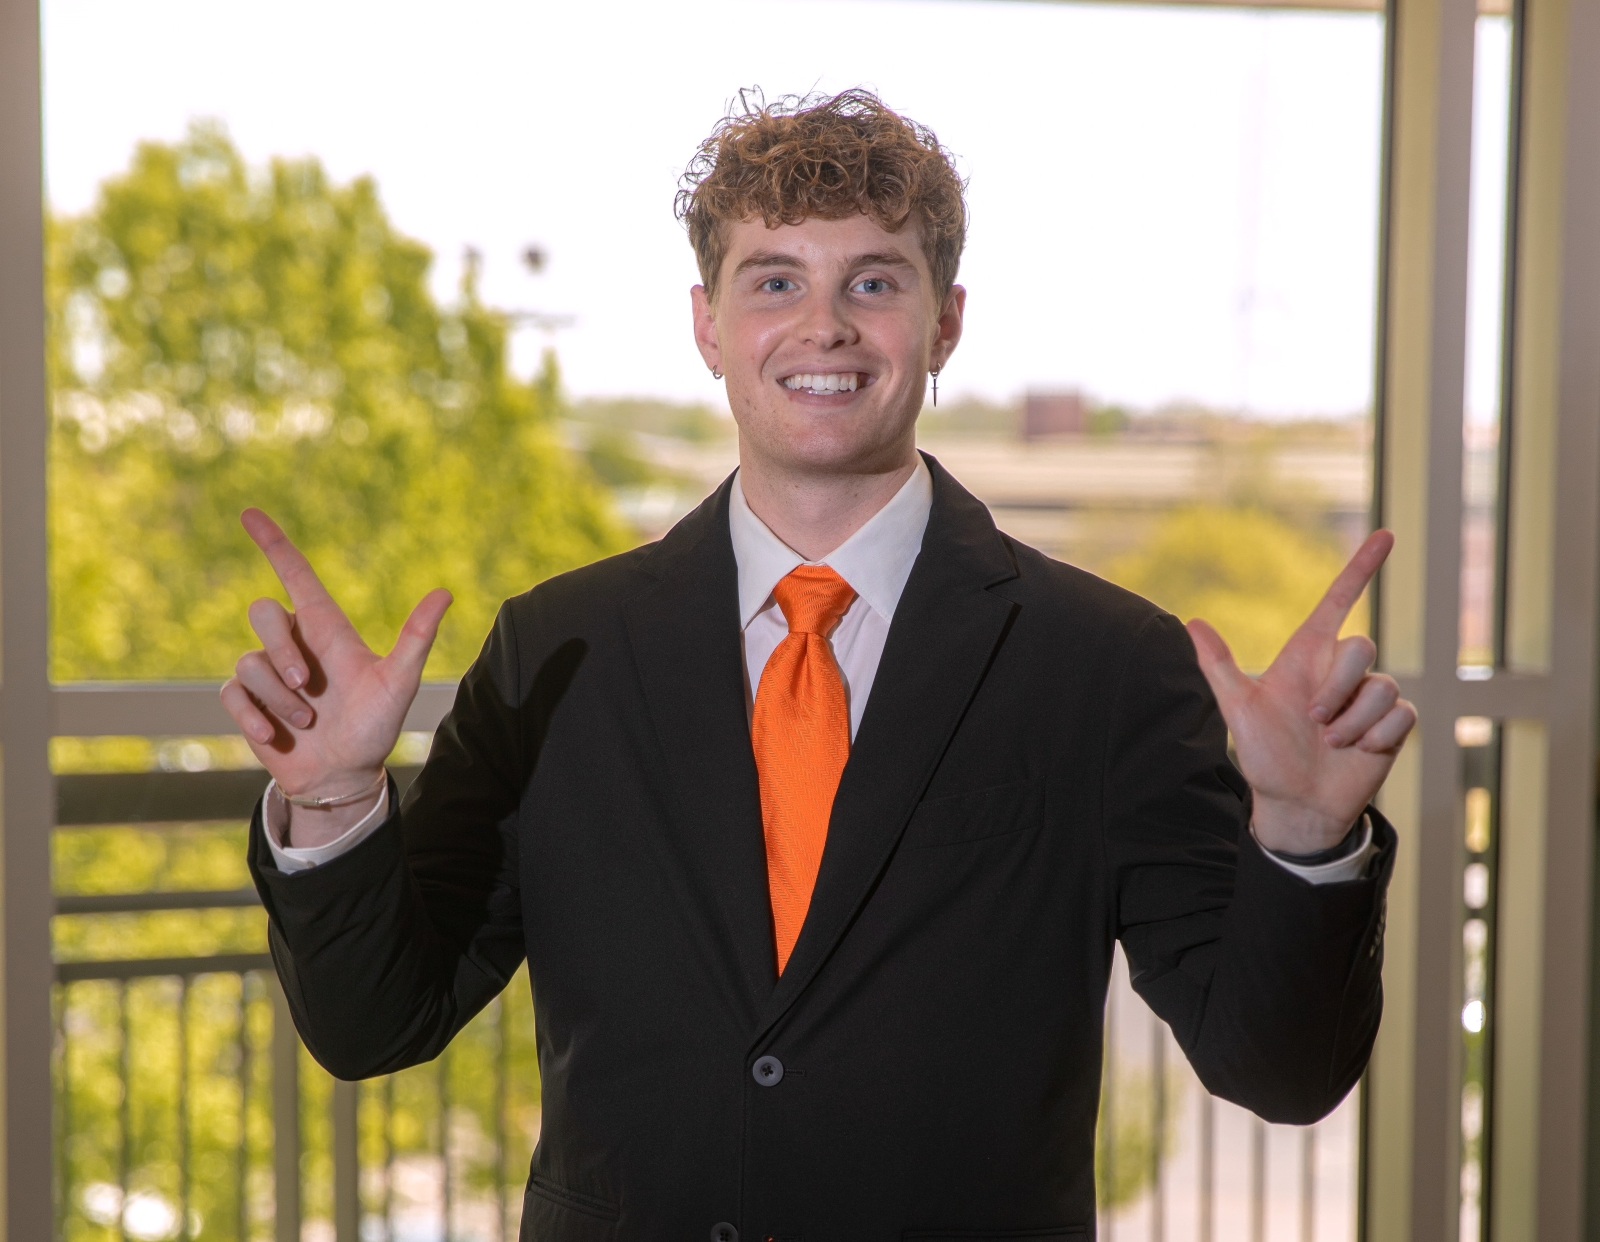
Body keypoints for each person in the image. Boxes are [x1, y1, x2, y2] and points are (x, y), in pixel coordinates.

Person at [226, 90, 1414, 1240]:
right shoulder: (557, 653)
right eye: (775, 281)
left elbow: (1278, 1071)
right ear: (708, 325)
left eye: (874, 283)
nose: (824, 328)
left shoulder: (1104, 666)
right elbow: (376, 1022)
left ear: (946, 321)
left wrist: (1302, 840)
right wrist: (334, 803)